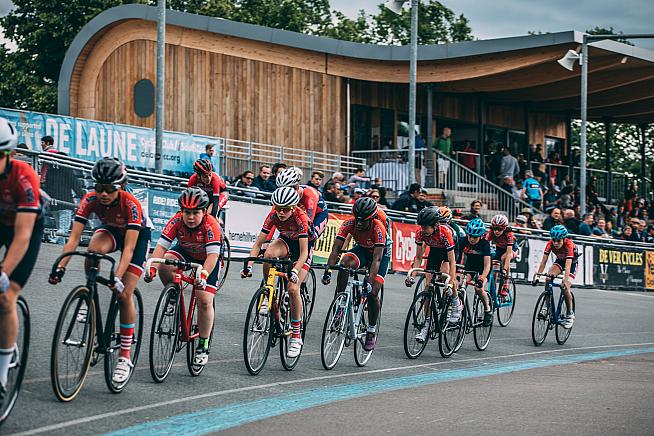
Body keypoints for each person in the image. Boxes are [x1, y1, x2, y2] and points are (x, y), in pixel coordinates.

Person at [49, 157, 151, 384]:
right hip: (113, 230)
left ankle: (124, 356)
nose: (103, 193)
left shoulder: (131, 204)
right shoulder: (90, 199)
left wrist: (117, 278)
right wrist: (60, 267)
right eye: (99, 187)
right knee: (93, 250)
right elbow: (74, 238)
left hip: (137, 238)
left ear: (121, 186)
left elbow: (129, 250)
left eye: (109, 189)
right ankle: (90, 295)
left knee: (124, 294)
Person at [145, 188, 222, 366]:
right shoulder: (176, 221)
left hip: (207, 258)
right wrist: (153, 269)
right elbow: (161, 248)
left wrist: (203, 274)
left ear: (204, 212)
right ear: (181, 211)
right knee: (165, 263)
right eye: (187, 212)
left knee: (204, 300)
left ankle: (203, 345)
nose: (191, 217)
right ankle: (173, 298)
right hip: (185, 251)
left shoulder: (211, 225)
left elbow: (212, 256)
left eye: (196, 213)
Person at [0, 118, 45, 403]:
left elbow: (22, 236)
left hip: (25, 228)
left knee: (6, 296)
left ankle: (2, 373)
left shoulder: (24, 176)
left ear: (11, 155)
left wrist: (4, 273)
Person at [242, 187, 315, 358]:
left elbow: (304, 253)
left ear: (293, 207)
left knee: (293, 289)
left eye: (285, 209)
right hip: (286, 240)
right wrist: (249, 266)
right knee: (268, 254)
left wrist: (295, 270)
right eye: (278, 208)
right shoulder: (273, 214)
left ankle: (296, 335)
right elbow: (258, 244)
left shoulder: (301, 218)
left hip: (304, 248)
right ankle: (268, 292)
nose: (281, 212)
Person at [322, 198, 391, 352]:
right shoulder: (349, 223)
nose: (359, 223)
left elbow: (377, 259)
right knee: (345, 263)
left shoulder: (378, 227)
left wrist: (369, 282)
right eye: (357, 219)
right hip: (363, 249)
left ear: (371, 219)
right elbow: (336, 249)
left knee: (373, 292)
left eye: (363, 221)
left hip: (380, 254)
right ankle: (341, 306)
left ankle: (371, 330)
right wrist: (328, 270)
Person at [404, 207, 461, 339]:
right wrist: (412, 276)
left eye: (425, 227)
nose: (423, 230)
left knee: (445, 274)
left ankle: (456, 302)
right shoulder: (420, 233)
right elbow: (418, 258)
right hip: (435, 251)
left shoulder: (445, 232)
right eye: (421, 226)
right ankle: (427, 324)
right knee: (427, 287)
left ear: (435, 225)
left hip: (448, 252)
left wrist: (450, 283)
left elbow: (452, 262)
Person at [533, 225, 578, 328]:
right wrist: (538, 276)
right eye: (554, 240)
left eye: (558, 241)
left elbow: (568, 266)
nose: (556, 243)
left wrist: (565, 281)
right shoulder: (550, 244)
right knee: (548, 278)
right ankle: (546, 306)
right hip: (560, 261)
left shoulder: (569, 245)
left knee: (565, 287)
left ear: (564, 239)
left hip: (572, 264)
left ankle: (570, 314)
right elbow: (543, 262)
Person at [276, 167, 329, 237]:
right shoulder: (281, 196)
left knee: (310, 236)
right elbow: (272, 217)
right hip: (302, 210)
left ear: (296, 187)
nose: (283, 193)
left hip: (319, 214)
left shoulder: (309, 196)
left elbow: (308, 223)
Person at [460, 218, 493, 327]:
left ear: (480, 236)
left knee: (478, 288)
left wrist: (482, 278)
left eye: (475, 237)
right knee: (460, 285)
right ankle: (459, 310)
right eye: (470, 236)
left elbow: (487, 265)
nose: (471, 239)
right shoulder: (463, 240)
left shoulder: (485, 244)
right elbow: (456, 259)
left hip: (483, 267)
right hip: (470, 265)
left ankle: (487, 310)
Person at [486, 214, 516, 298]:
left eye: (499, 229)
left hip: (511, 249)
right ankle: (493, 290)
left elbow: (509, 253)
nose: (496, 231)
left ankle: (506, 282)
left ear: (504, 228)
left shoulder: (509, 234)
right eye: (494, 228)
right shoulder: (490, 233)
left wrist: (505, 269)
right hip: (500, 249)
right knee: (494, 267)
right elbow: (484, 246)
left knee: (504, 258)